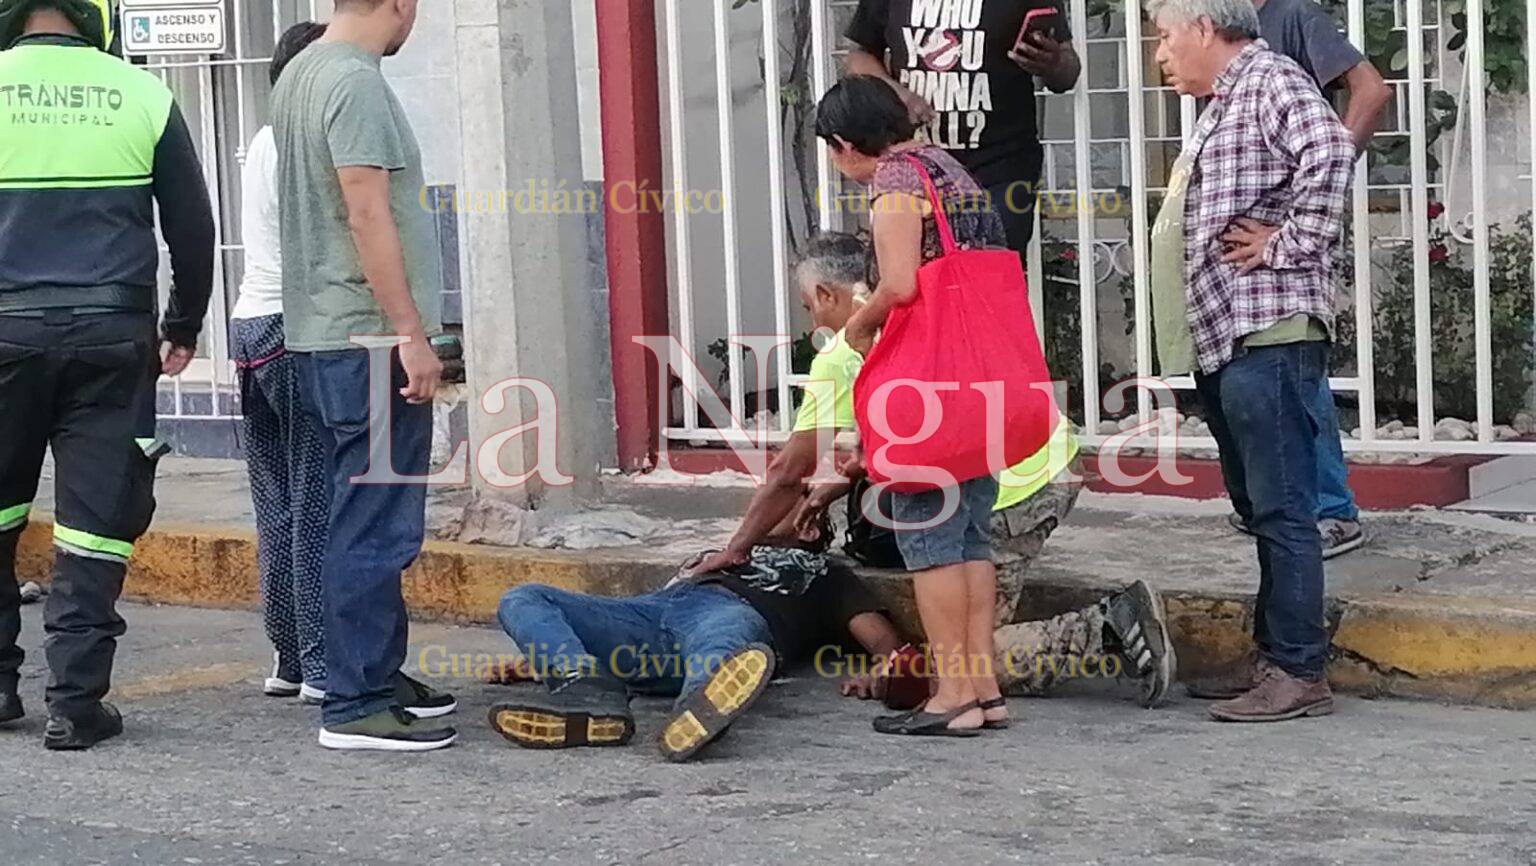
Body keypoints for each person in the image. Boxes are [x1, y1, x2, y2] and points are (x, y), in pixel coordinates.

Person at [0, 0, 215, 750]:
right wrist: (183, 324)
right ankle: (75, 702)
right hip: (111, 337)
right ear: (95, 18)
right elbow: (192, 227)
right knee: (96, 524)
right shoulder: (143, 94)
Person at [1147, 0, 1356, 721]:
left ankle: (1297, 671)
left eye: (1166, 37)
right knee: (1260, 507)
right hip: (1233, 334)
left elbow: (1330, 152)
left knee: (1282, 507)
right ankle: (1277, 658)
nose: (1161, 55)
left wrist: (1287, 243)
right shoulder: (1227, 99)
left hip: (1266, 329)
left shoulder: (1269, 80)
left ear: (1204, 28)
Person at [271, 0, 456, 752]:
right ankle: (355, 700)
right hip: (368, 337)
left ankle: (373, 671)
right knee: (375, 522)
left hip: (323, 331)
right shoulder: (355, 81)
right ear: (399, 4)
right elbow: (366, 211)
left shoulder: (300, 74)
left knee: (355, 512)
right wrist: (411, 335)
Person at [1222, 0, 1391, 558]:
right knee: (1267, 379)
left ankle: (1332, 511)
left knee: (1297, 372)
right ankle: (1281, 511)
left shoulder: (1292, 16)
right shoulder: (1222, 23)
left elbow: (1370, 91)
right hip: (1248, 246)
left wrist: (1306, 199)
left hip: (1286, 242)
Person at [232, 21, 329, 705]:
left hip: (247, 326)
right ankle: (324, 665)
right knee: (319, 496)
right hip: (296, 328)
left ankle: (289, 657)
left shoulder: (263, 140)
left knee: (277, 502)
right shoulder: (304, 139)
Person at [844, 0, 1081, 254]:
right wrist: (898, 94)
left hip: (1001, 166)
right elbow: (860, 55)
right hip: (916, 168)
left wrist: (1054, 64)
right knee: (917, 278)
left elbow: (1067, 71)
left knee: (988, 278)